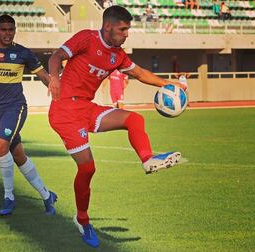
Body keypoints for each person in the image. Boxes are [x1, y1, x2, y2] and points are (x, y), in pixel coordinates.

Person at [48, 5, 187, 248]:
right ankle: (82, 220)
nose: (126, 34)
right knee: (88, 169)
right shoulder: (86, 38)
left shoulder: (118, 55)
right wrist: (54, 78)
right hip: (64, 112)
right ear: (109, 26)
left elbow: (141, 73)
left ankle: (147, 160)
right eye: (123, 29)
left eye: (128, 29)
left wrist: (168, 84)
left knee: (134, 119)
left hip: (87, 108)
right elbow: (56, 57)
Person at [0, 14, 57, 216]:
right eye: (4, 29)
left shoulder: (23, 53)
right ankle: (47, 196)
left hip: (15, 107)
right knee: (17, 155)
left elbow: (43, 76)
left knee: (0, 145)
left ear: (15, 31)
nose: (8, 33)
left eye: (11, 30)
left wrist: (56, 87)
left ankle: (9, 197)